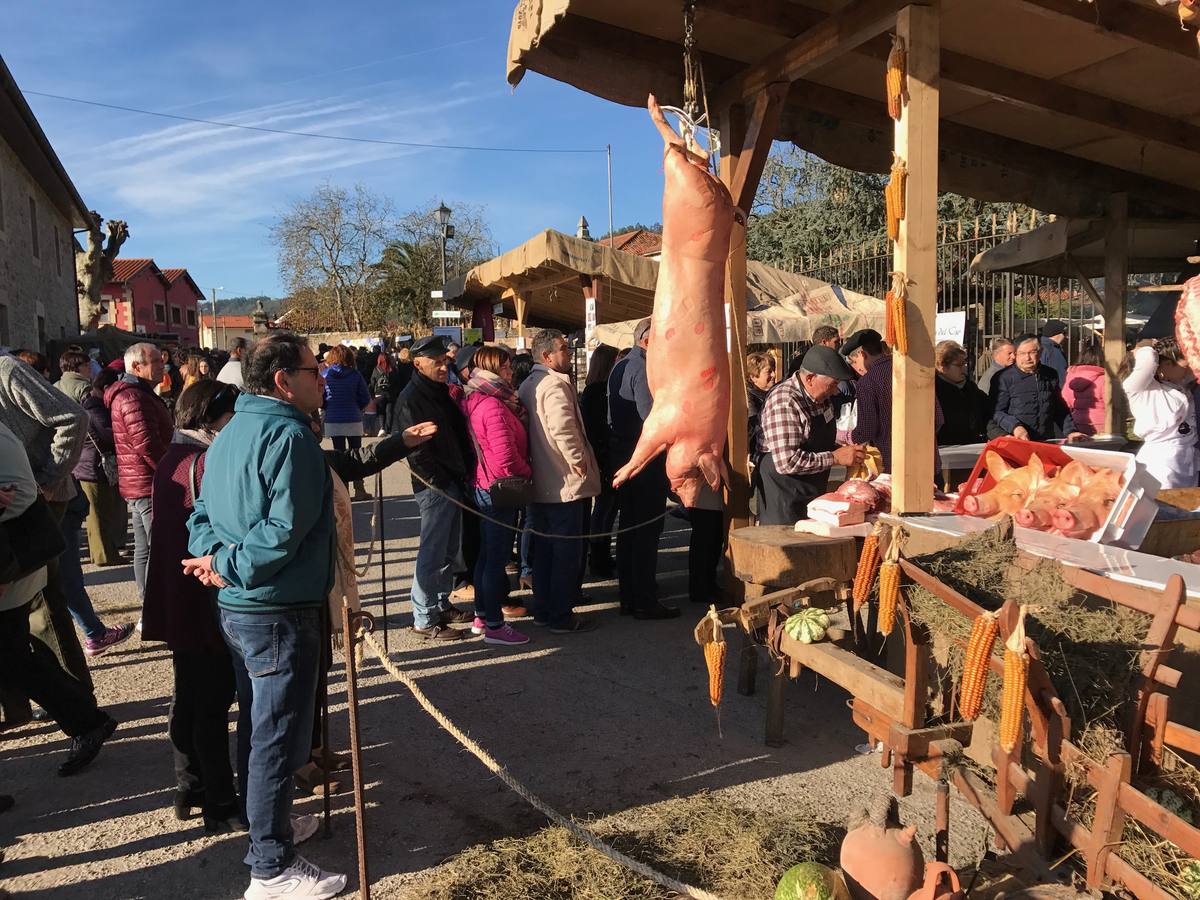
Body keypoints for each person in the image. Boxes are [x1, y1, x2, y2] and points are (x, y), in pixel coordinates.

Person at [183, 332, 347, 899]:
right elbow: (281, 531)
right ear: (282, 380)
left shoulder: (230, 434)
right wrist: (225, 564)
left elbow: (199, 512)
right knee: (275, 737)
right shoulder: (289, 435)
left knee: (261, 731)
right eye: (313, 369)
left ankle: (267, 832)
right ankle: (271, 869)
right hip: (274, 609)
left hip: (243, 607)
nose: (321, 378)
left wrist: (215, 561)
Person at [142, 380, 243, 832]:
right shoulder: (202, 463)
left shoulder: (172, 458)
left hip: (177, 594)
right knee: (212, 701)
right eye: (231, 416)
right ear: (210, 419)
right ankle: (220, 800)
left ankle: (191, 784)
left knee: (189, 694)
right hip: (201, 596)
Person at [0, 420, 118, 776]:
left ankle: (86, 720)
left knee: (13, 657)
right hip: (11, 568)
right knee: (14, 656)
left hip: (8, 569)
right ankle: (86, 720)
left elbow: (21, 493)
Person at [0, 352, 93, 694]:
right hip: (13, 504)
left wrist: (48, 478)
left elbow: (73, 416)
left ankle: (76, 701)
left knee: (43, 603)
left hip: (39, 501)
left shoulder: (6, 370)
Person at [392, 335, 476, 641]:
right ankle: (424, 616)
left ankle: (440, 603)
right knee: (432, 551)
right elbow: (414, 450)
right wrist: (440, 482)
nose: (443, 366)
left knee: (448, 551)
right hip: (435, 486)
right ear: (418, 363)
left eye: (445, 361)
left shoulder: (438, 390)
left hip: (453, 480)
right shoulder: (411, 398)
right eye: (436, 362)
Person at [519, 330, 599, 632]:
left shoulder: (531, 383)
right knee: (565, 553)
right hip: (563, 481)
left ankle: (545, 609)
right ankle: (560, 615)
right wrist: (578, 461)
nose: (568, 353)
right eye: (564, 349)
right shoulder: (552, 385)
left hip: (544, 481)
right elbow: (563, 428)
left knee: (546, 552)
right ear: (547, 357)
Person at [460, 346, 531, 645]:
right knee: (495, 559)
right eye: (504, 367)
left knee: (487, 556)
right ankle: (494, 625)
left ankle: (481, 616)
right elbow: (504, 457)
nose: (510, 371)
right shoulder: (492, 405)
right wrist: (527, 471)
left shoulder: (477, 398)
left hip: (484, 484)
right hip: (498, 488)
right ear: (491, 369)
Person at [608, 318, 675, 620]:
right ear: (648, 341)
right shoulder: (642, 368)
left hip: (627, 455)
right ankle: (643, 599)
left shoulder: (623, 364)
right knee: (644, 532)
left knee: (630, 531)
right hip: (643, 460)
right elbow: (652, 421)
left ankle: (631, 595)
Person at [755, 345, 865, 525]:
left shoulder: (822, 398)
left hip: (811, 492)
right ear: (810, 378)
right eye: (833, 384)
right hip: (784, 495)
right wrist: (835, 458)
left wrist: (845, 450)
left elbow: (818, 442)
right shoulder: (785, 401)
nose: (836, 391)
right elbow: (787, 462)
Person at [107, 342, 174, 619]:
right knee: (159, 548)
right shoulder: (133, 397)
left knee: (145, 549)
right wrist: (171, 472)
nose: (163, 366)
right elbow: (147, 444)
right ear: (137, 367)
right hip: (147, 484)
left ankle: (150, 606)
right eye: (156, 361)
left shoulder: (138, 393)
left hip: (141, 483)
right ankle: (156, 608)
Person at [847, 329, 943, 473]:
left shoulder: (867, 382)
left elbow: (867, 430)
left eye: (854, 362)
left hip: (894, 468)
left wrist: (848, 436)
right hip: (928, 463)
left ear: (862, 354)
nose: (856, 369)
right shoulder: (914, 371)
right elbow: (938, 418)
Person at [1120, 339, 1197, 489]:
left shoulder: (1179, 385)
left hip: (1187, 461)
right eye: (1185, 365)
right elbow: (1148, 359)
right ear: (1167, 364)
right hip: (1160, 462)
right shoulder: (1138, 388)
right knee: (1164, 506)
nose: (1188, 370)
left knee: (1187, 508)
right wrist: (1146, 344)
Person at [990, 333, 1085, 443]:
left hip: (1045, 439)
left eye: (1032, 352)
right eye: (1022, 353)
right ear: (1016, 354)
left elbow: (1059, 407)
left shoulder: (1050, 374)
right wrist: (1015, 427)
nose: (1027, 358)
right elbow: (996, 411)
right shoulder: (1003, 377)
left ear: (1040, 353)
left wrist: (1070, 431)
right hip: (1016, 440)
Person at [77, 369, 127, 567]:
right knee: (97, 514)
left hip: (91, 465)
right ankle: (103, 556)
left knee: (101, 512)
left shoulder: (91, 404)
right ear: (106, 388)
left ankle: (103, 553)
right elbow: (108, 434)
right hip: (92, 466)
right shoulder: (95, 408)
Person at [580, 344, 620, 578]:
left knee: (605, 510)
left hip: (601, 456)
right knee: (604, 511)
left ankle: (600, 555)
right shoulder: (599, 392)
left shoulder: (591, 390)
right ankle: (599, 557)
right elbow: (599, 429)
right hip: (605, 458)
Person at [321, 346, 371, 502]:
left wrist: (327, 407)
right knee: (357, 454)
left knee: (339, 455)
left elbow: (320, 396)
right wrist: (359, 407)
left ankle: (343, 491)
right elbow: (365, 396)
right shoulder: (355, 375)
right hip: (353, 416)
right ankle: (360, 489)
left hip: (334, 418)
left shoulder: (325, 375)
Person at [934, 341, 989, 445]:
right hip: (946, 450)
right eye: (959, 365)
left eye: (964, 363)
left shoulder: (970, 387)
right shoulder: (934, 391)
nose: (964, 368)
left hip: (973, 447)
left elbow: (988, 410)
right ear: (942, 366)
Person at [1061, 343, 1106, 437]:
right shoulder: (1103, 378)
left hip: (1076, 422)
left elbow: (1065, 401)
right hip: (1100, 424)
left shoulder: (1071, 376)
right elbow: (1110, 402)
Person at [745, 351, 777, 467]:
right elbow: (755, 423)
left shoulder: (771, 393)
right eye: (769, 371)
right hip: (755, 457)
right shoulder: (747, 398)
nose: (774, 375)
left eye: (773, 370)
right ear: (753, 377)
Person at [369, 353, 398, 435]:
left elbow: (372, 383)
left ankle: (382, 428)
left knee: (381, 412)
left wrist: (372, 395)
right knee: (389, 411)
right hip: (390, 394)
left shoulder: (376, 369)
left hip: (379, 394)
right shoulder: (393, 369)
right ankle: (388, 429)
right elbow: (397, 382)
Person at [1039, 320, 1069, 385]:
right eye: (1064, 333)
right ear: (1056, 334)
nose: (1066, 336)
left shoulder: (1040, 346)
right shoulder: (1053, 350)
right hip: (1055, 389)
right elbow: (1060, 374)